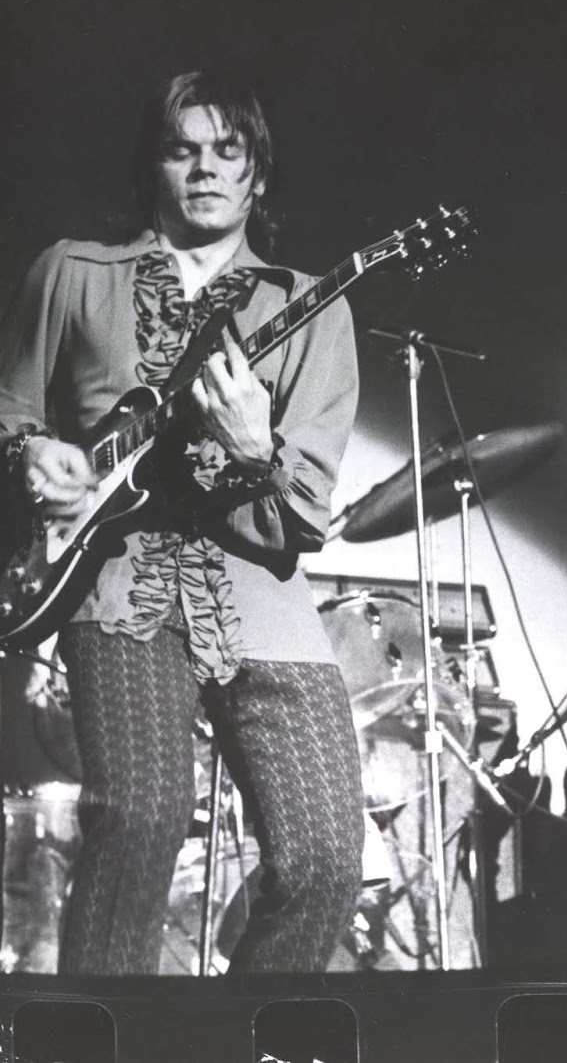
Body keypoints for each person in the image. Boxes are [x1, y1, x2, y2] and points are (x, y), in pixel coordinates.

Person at [0, 70, 366, 974]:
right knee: (138, 820)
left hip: (262, 598)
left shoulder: (312, 307)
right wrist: (31, 454)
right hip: (115, 583)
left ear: (258, 176)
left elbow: (302, 514)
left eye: (227, 151)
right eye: (182, 148)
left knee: (324, 857)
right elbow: (14, 410)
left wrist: (251, 449)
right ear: (152, 166)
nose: (205, 169)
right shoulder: (72, 273)